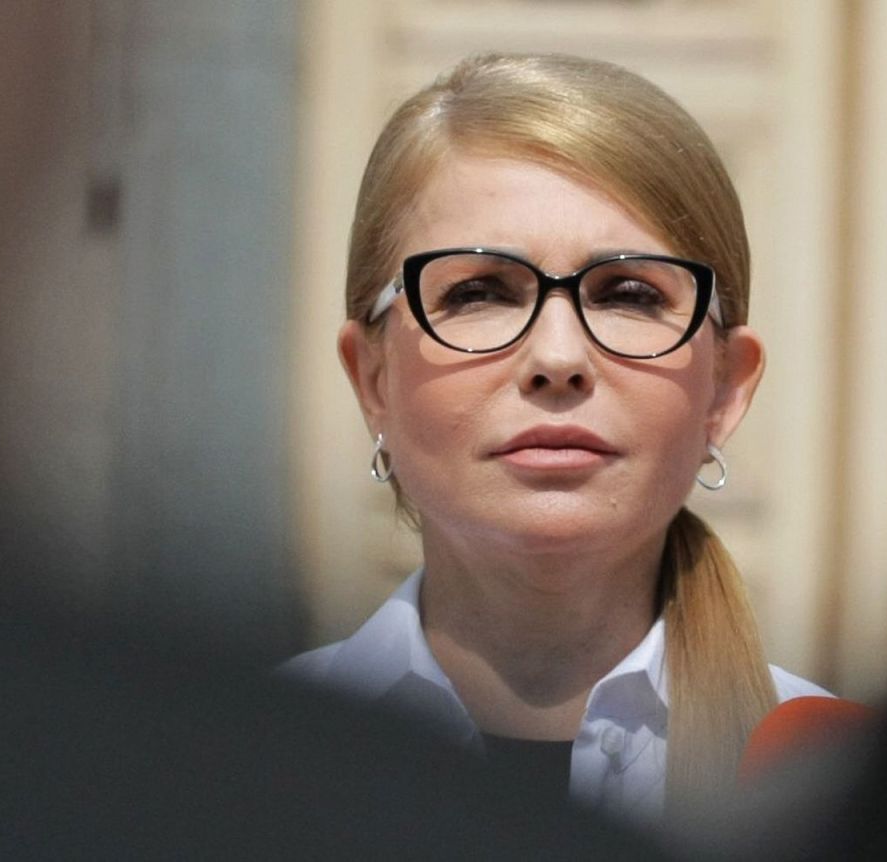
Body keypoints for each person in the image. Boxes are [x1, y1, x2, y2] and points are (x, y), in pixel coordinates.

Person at [283, 51, 829, 827]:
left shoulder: (845, 803)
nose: (559, 360)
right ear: (372, 379)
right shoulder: (213, 771)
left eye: (631, 295)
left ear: (724, 388)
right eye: (478, 292)